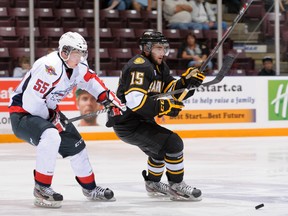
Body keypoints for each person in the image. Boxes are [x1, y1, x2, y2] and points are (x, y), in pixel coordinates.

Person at [8, 32, 126, 208]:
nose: (81, 57)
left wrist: (108, 98)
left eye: (83, 53)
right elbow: (31, 103)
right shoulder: (49, 67)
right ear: (64, 52)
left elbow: (91, 81)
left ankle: (90, 189)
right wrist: (53, 119)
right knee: (51, 135)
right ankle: (41, 187)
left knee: (77, 146)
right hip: (22, 114)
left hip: (48, 111)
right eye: (77, 53)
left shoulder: (78, 65)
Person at [107, 31, 205, 201]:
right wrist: (163, 106)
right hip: (128, 123)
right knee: (173, 143)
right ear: (146, 48)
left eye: (164, 48)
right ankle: (177, 185)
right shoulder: (140, 65)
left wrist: (187, 83)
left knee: (159, 150)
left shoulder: (160, 67)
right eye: (159, 48)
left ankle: (152, 183)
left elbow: (173, 93)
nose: (163, 52)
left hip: (139, 121)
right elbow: (135, 102)